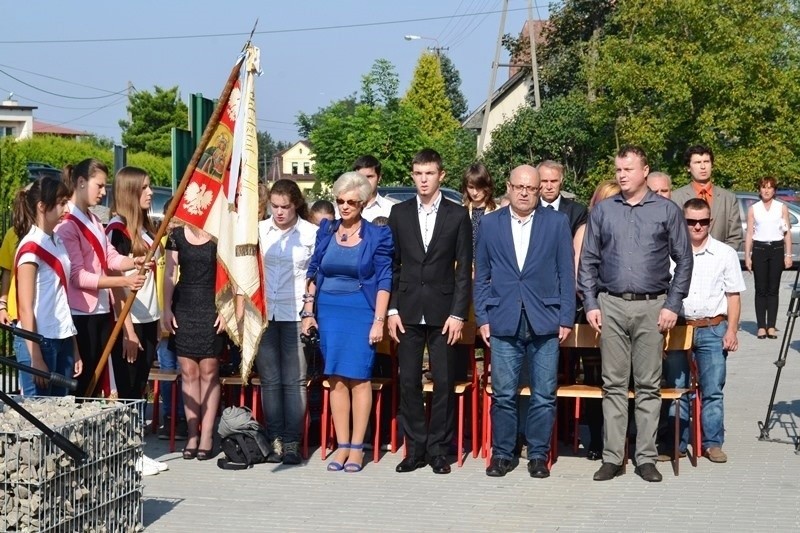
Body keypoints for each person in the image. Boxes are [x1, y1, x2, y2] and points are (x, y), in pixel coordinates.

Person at [578, 145, 693, 483]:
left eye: (628, 169)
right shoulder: (603, 212)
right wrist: (591, 304)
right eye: (618, 170)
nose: (621, 175)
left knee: (647, 385)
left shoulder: (666, 211)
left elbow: (684, 260)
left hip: (652, 306)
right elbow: (588, 261)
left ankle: (645, 458)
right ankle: (613, 458)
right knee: (613, 384)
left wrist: (673, 304)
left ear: (645, 170)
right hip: (610, 305)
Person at [475, 165, 575, 478]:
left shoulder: (556, 222)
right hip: (503, 319)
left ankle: (537, 455)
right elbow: (482, 275)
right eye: (519, 187)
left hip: (545, 319)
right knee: (504, 394)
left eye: (531, 188)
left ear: (538, 191)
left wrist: (566, 317)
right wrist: (482, 316)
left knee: (544, 395)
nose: (524, 193)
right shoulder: (490, 224)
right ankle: (502, 454)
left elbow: (566, 273)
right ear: (508, 186)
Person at [301, 172, 393, 472]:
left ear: (364, 203)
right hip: (329, 311)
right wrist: (308, 311)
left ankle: (357, 448)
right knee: (337, 378)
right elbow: (314, 270)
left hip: (361, 310)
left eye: (351, 201)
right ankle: (341, 446)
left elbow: (383, 279)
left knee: (360, 378)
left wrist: (379, 320)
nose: (344, 206)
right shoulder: (326, 230)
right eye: (339, 200)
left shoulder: (378, 235)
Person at [387, 148, 472, 475]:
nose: (423, 180)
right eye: (418, 174)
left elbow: (463, 268)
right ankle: (415, 449)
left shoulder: (457, 214)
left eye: (429, 174)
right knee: (407, 381)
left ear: (441, 176)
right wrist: (392, 308)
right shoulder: (400, 213)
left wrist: (458, 313)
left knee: (444, 382)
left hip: (444, 312)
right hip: (407, 311)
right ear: (413, 175)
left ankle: (439, 449)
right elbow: (392, 265)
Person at [660, 198, 745, 464]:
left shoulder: (725, 254)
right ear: (682, 222)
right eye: (691, 222)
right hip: (679, 327)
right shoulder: (669, 253)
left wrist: (732, 330)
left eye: (703, 221)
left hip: (712, 327)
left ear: (711, 222)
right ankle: (675, 442)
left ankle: (712, 443)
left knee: (713, 389)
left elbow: (733, 296)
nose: (697, 226)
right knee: (676, 387)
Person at [56, 159, 147, 397]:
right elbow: (78, 277)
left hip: (100, 311)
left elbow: (110, 256)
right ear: (81, 182)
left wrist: (132, 262)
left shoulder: (95, 220)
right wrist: (123, 282)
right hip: (80, 314)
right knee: (82, 383)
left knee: (95, 385)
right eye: (100, 185)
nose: (105, 192)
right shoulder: (67, 225)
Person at [256, 179, 317, 465]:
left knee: (294, 381)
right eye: (275, 206)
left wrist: (310, 311)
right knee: (270, 381)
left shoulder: (311, 233)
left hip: (296, 313)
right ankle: (275, 439)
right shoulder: (259, 231)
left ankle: (292, 441)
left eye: (285, 207)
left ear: (296, 205)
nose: (279, 212)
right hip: (265, 313)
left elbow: (315, 275)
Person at [162, 223, 227, 461]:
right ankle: (191, 435)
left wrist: (226, 310)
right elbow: (169, 272)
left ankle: (208, 435)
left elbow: (229, 272)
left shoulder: (220, 233)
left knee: (209, 370)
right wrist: (166, 308)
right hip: (184, 305)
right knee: (188, 371)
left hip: (212, 303)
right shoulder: (176, 236)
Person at [14, 176, 82, 396]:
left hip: (62, 337)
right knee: (40, 416)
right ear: (42, 207)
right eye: (61, 202)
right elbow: (25, 307)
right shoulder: (30, 247)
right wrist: (35, 356)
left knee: (60, 414)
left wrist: (75, 348)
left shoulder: (58, 241)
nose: (66, 208)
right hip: (39, 340)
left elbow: (62, 298)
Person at [571, 179, 621, 460]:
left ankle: (617, 437)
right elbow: (580, 273)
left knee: (618, 380)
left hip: (619, 311)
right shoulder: (584, 231)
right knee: (593, 381)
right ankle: (595, 439)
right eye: (605, 201)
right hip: (589, 312)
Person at [106, 167, 162, 401]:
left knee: (139, 387)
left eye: (149, 186)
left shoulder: (146, 228)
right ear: (130, 191)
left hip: (149, 317)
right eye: (144, 188)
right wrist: (127, 330)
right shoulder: (117, 231)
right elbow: (115, 284)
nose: (150, 192)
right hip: (131, 320)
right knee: (128, 387)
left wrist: (157, 320)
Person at [154, 196, 187, 440]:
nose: (174, 224)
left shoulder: (187, 243)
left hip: (184, 313)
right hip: (162, 316)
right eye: (171, 219)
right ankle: (169, 417)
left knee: (184, 371)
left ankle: (185, 419)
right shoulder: (158, 244)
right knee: (167, 368)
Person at [744, 177, 793, 339]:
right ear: (759, 190)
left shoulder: (781, 207)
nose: (766, 190)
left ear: (774, 190)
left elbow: (786, 233)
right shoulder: (754, 209)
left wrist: (788, 255)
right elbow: (750, 233)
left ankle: (771, 325)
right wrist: (748, 256)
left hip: (777, 248)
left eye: (770, 187)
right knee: (760, 289)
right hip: (759, 249)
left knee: (773, 289)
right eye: (764, 187)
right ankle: (761, 326)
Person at [671, 145, 743, 250]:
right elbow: (674, 234)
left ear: (712, 165)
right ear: (688, 168)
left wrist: (722, 258)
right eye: (697, 162)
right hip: (689, 260)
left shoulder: (728, 198)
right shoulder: (676, 197)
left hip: (720, 261)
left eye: (706, 162)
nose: (703, 167)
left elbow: (735, 236)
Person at [537, 160, 588, 237]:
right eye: (544, 181)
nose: (549, 187)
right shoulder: (529, 209)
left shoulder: (577, 212)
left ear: (561, 182)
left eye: (553, 181)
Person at [461, 162, 497, 250]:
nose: (475, 192)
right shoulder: (460, 211)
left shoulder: (498, 212)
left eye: (479, 187)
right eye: (471, 187)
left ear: (487, 186)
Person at [353, 155, 393, 222]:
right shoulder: (342, 209)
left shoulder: (391, 210)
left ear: (379, 178)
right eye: (360, 177)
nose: (364, 181)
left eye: (369, 177)